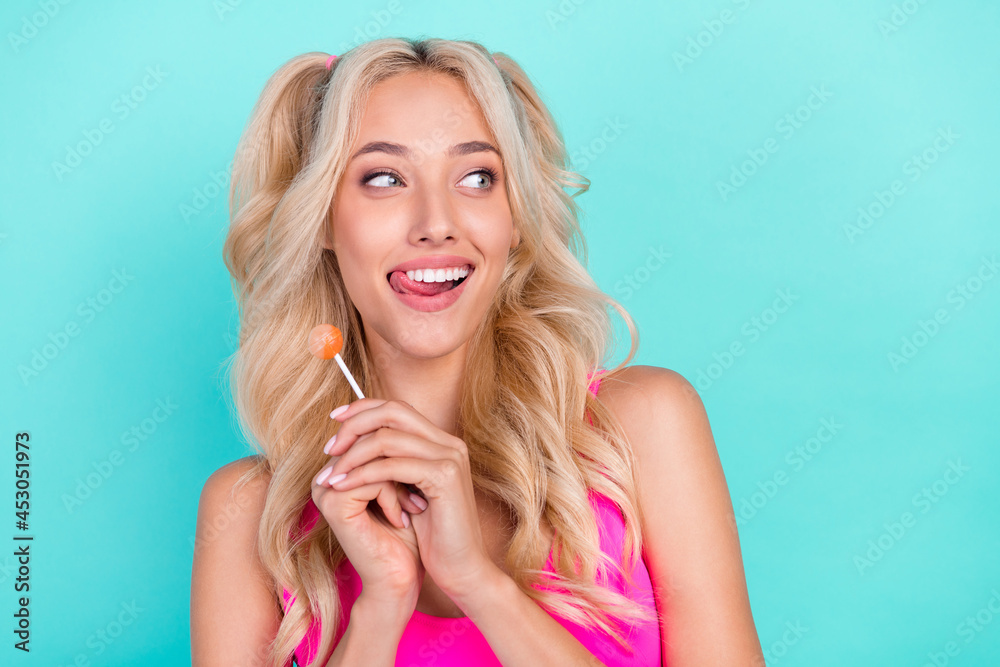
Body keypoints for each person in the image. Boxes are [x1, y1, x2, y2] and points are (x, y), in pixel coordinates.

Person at [190, 37, 764, 666]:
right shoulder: (250, 515)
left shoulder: (643, 427)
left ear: (515, 217)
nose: (436, 221)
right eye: (384, 178)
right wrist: (383, 604)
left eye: (476, 177)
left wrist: (480, 585)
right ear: (324, 219)